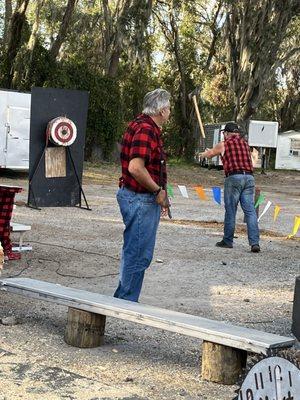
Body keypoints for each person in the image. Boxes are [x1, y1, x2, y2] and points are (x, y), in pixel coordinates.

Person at [114, 89, 171, 302]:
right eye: (169, 108)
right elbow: (135, 168)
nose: (170, 112)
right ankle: (124, 302)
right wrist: (157, 190)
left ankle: (125, 300)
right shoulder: (147, 129)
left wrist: (161, 192)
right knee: (138, 255)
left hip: (140, 197)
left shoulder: (141, 125)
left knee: (135, 253)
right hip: (140, 198)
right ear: (162, 109)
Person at [200, 122, 260, 253]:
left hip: (233, 178)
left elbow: (210, 154)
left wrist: (203, 154)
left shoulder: (224, 144)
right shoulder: (245, 144)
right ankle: (254, 243)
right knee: (250, 211)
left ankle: (227, 241)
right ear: (237, 133)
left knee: (231, 210)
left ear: (226, 133)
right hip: (249, 178)